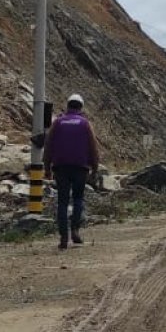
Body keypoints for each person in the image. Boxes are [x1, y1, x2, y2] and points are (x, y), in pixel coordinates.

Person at [43, 93, 100, 250]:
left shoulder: (58, 123)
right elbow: (93, 147)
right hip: (80, 167)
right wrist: (95, 168)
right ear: (81, 108)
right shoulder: (85, 123)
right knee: (78, 199)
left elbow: (48, 146)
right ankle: (75, 229)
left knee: (62, 201)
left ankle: (63, 236)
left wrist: (46, 167)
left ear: (68, 106)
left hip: (60, 167)